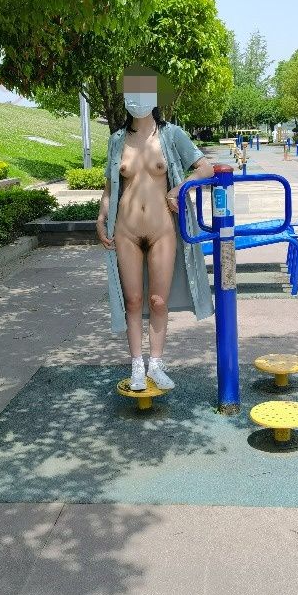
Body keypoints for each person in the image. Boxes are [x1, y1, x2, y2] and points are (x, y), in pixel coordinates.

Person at [96, 66, 215, 392]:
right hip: (126, 231)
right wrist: (101, 215)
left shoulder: (171, 134)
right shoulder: (117, 140)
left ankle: (157, 364)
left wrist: (180, 187)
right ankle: (137, 365)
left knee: (158, 300)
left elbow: (205, 168)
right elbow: (109, 187)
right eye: (131, 92)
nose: (136, 98)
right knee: (133, 300)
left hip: (163, 229)